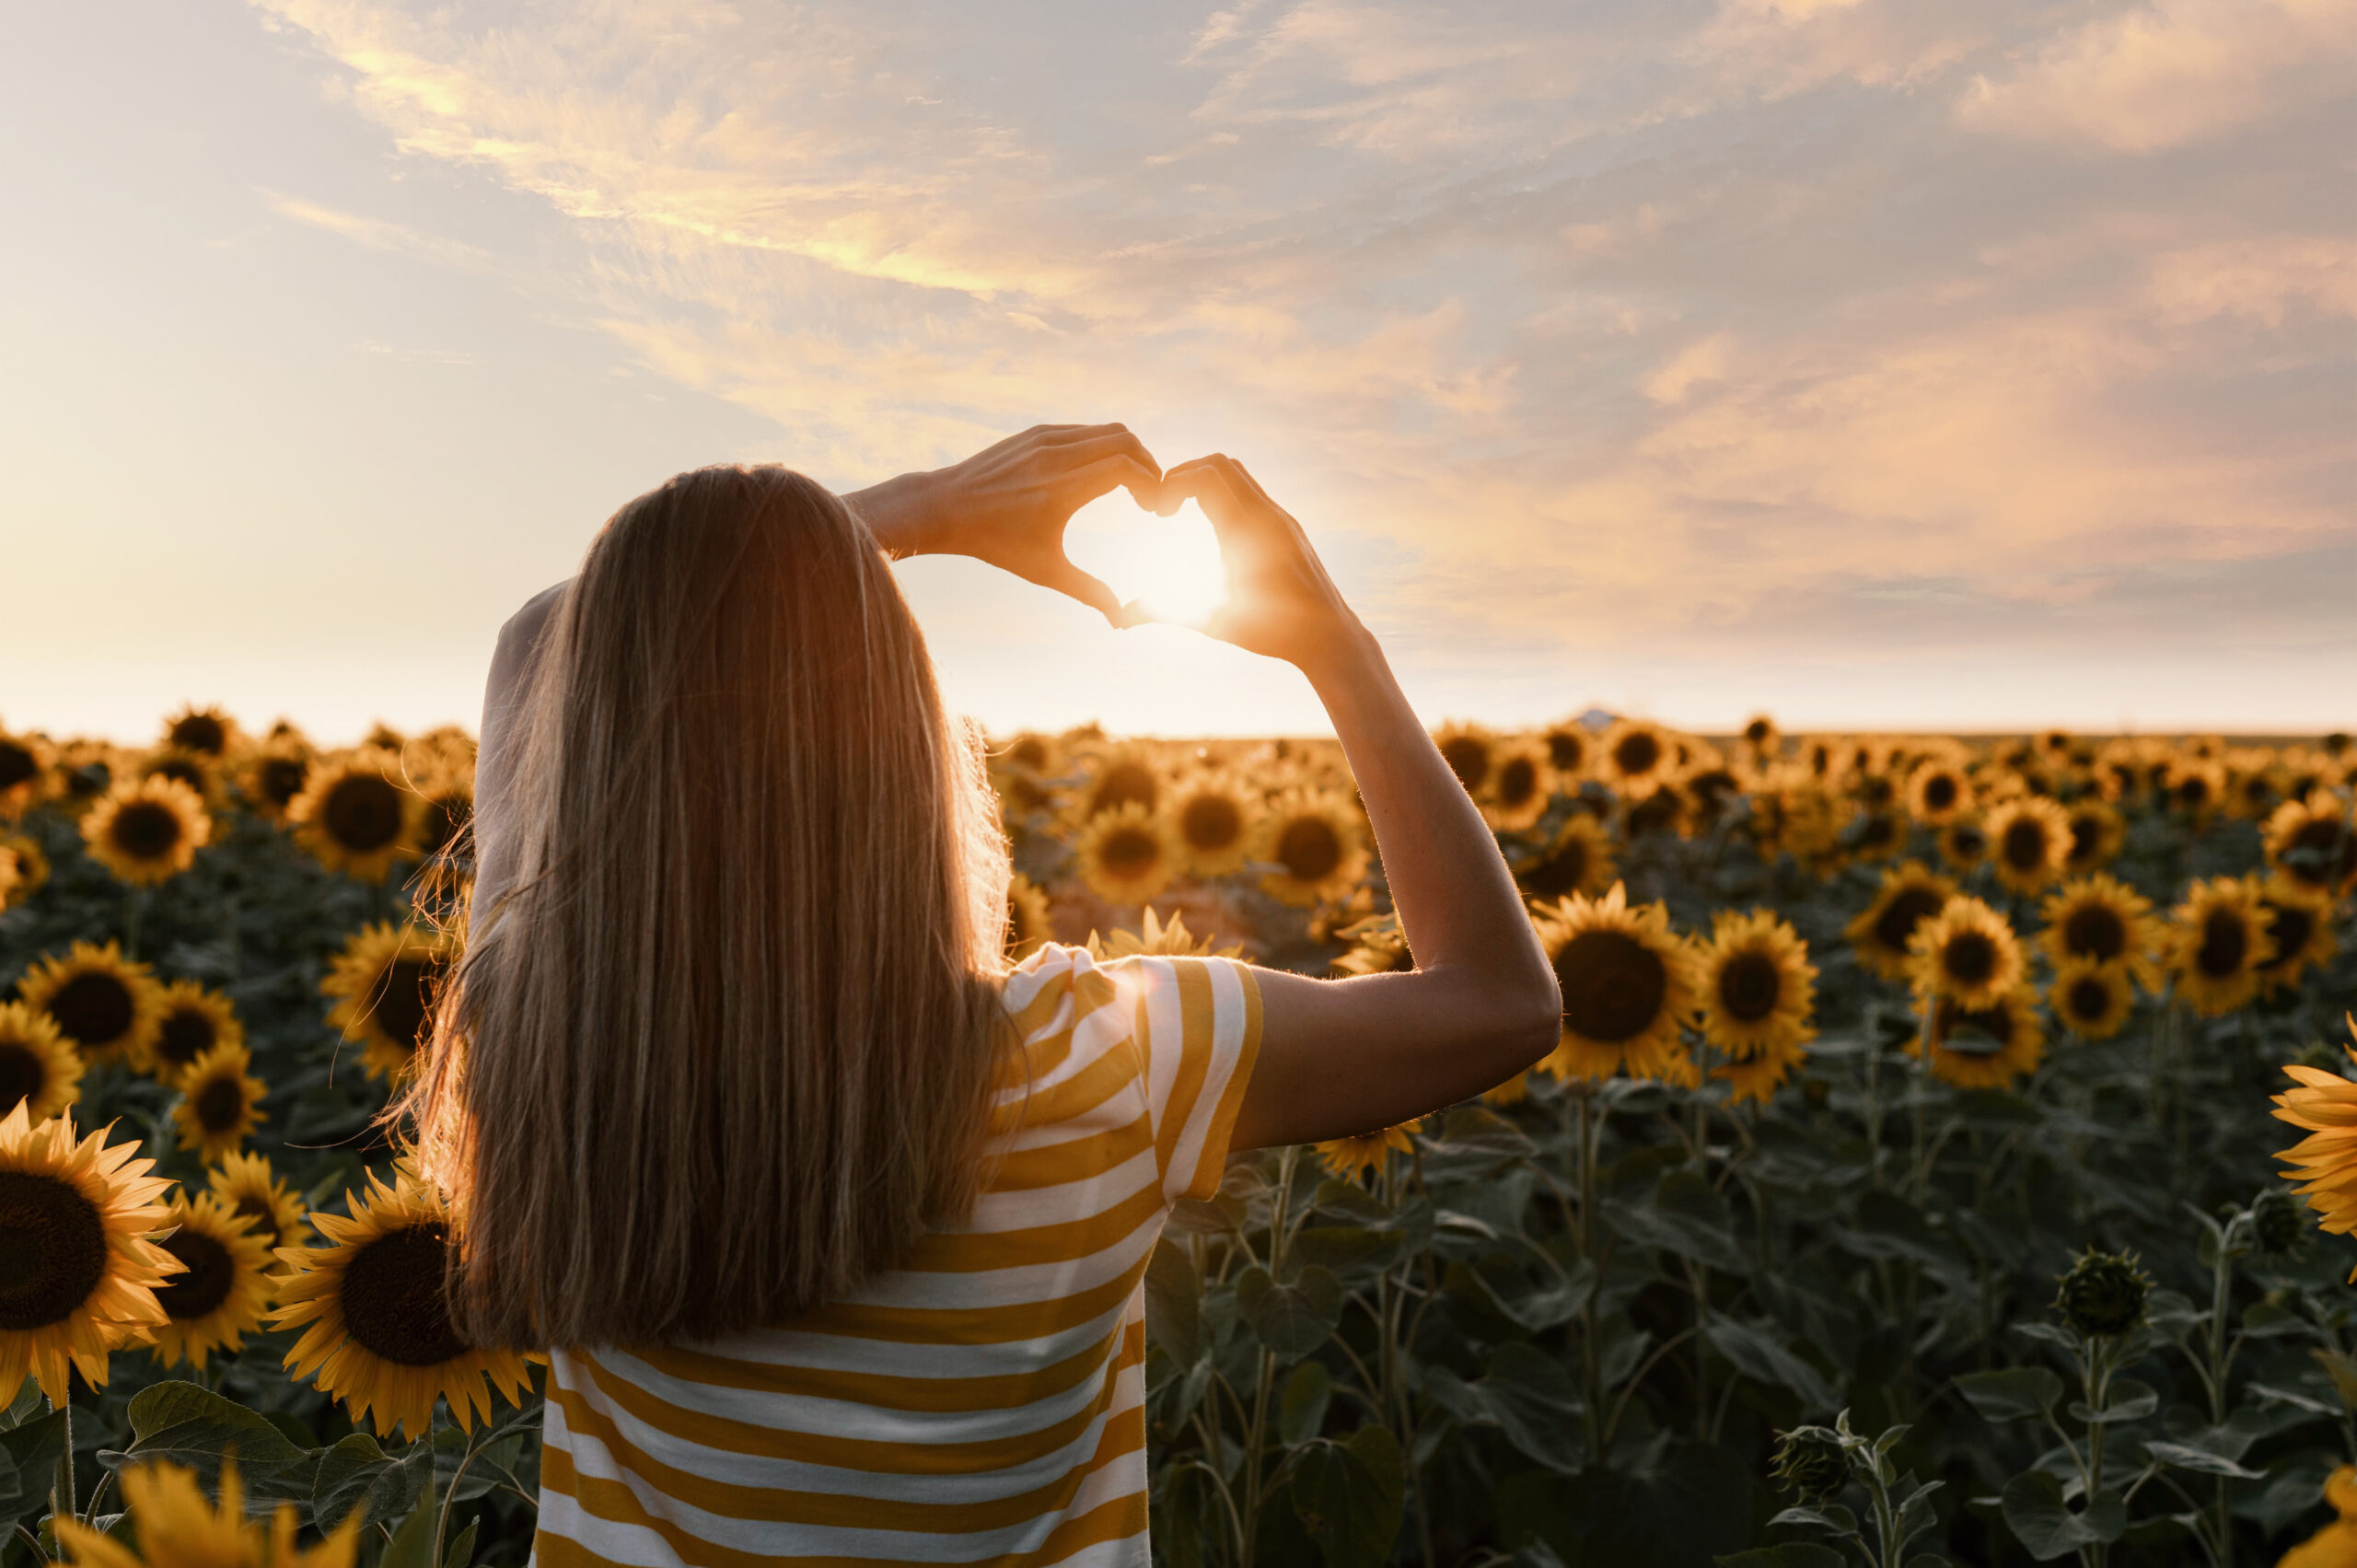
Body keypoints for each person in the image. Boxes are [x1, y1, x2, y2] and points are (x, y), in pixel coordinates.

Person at [409, 424, 1562, 1567]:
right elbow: (1500, 1000)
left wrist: (919, 509)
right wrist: (1336, 646)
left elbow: (533, 639)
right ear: (907, 739)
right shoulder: (1103, 1067)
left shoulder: (534, 1050)